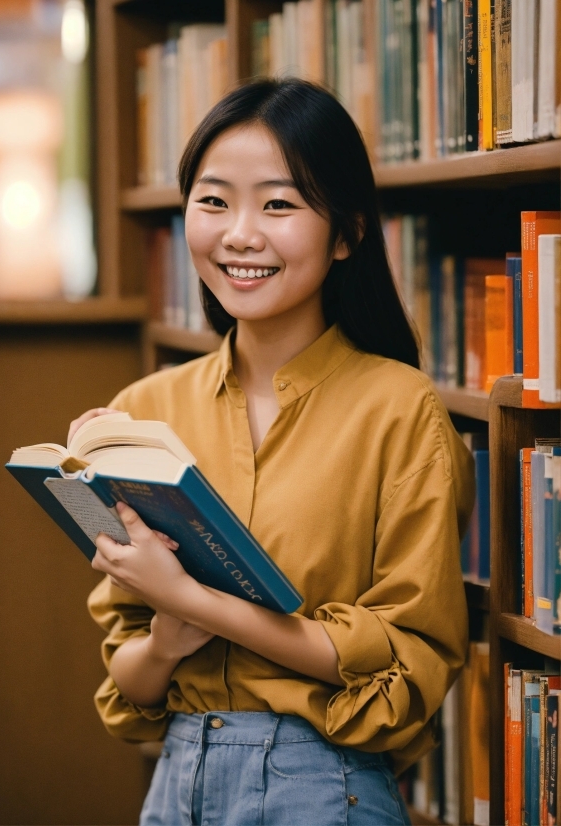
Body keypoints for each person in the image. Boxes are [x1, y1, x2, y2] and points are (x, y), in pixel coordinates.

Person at [72, 78, 474, 826]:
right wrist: (166, 636)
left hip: (324, 788)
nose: (240, 234)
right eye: (214, 200)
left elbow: (406, 666)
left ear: (347, 233)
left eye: (279, 204)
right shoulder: (143, 412)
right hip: (174, 789)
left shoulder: (400, 409)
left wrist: (191, 600)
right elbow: (126, 687)